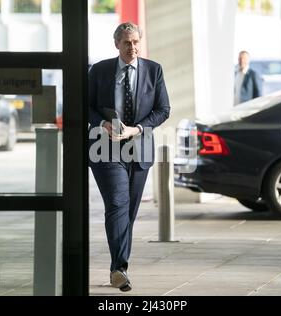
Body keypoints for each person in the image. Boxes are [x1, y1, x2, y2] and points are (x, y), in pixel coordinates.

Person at [88, 22, 170, 292]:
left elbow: (163, 109)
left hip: (139, 148)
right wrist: (103, 124)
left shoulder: (153, 70)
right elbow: (83, 105)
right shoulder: (99, 71)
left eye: (136, 42)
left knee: (128, 213)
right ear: (117, 45)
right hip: (105, 148)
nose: (132, 47)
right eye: (127, 43)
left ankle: (117, 265)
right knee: (117, 203)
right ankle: (119, 269)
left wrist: (137, 128)